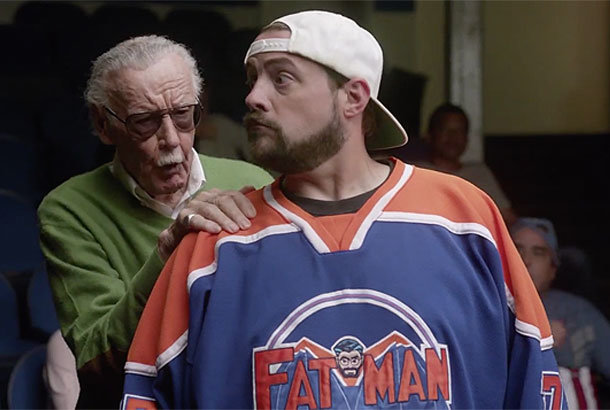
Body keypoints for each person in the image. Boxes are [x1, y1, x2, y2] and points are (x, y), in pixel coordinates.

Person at [123, 11, 564, 409]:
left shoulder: (465, 218)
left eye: (281, 78)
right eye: (252, 80)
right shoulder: (214, 240)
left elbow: (534, 384)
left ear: (353, 97)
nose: (253, 97)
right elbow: (146, 393)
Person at [37, 35, 273, 408]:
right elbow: (97, 359)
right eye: (144, 122)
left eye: (183, 115)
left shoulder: (253, 182)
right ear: (103, 124)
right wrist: (168, 249)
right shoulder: (68, 210)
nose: (172, 140)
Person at [511, 217, 610, 409]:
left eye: (538, 253)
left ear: (553, 269)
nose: (525, 260)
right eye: (517, 249)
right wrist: (538, 336)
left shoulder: (577, 313)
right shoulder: (482, 308)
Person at [416, 103, 516, 225]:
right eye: (445, 130)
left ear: (467, 138)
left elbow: (507, 217)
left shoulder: (479, 172)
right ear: (430, 135)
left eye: (460, 131)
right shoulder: (417, 172)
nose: (453, 137)